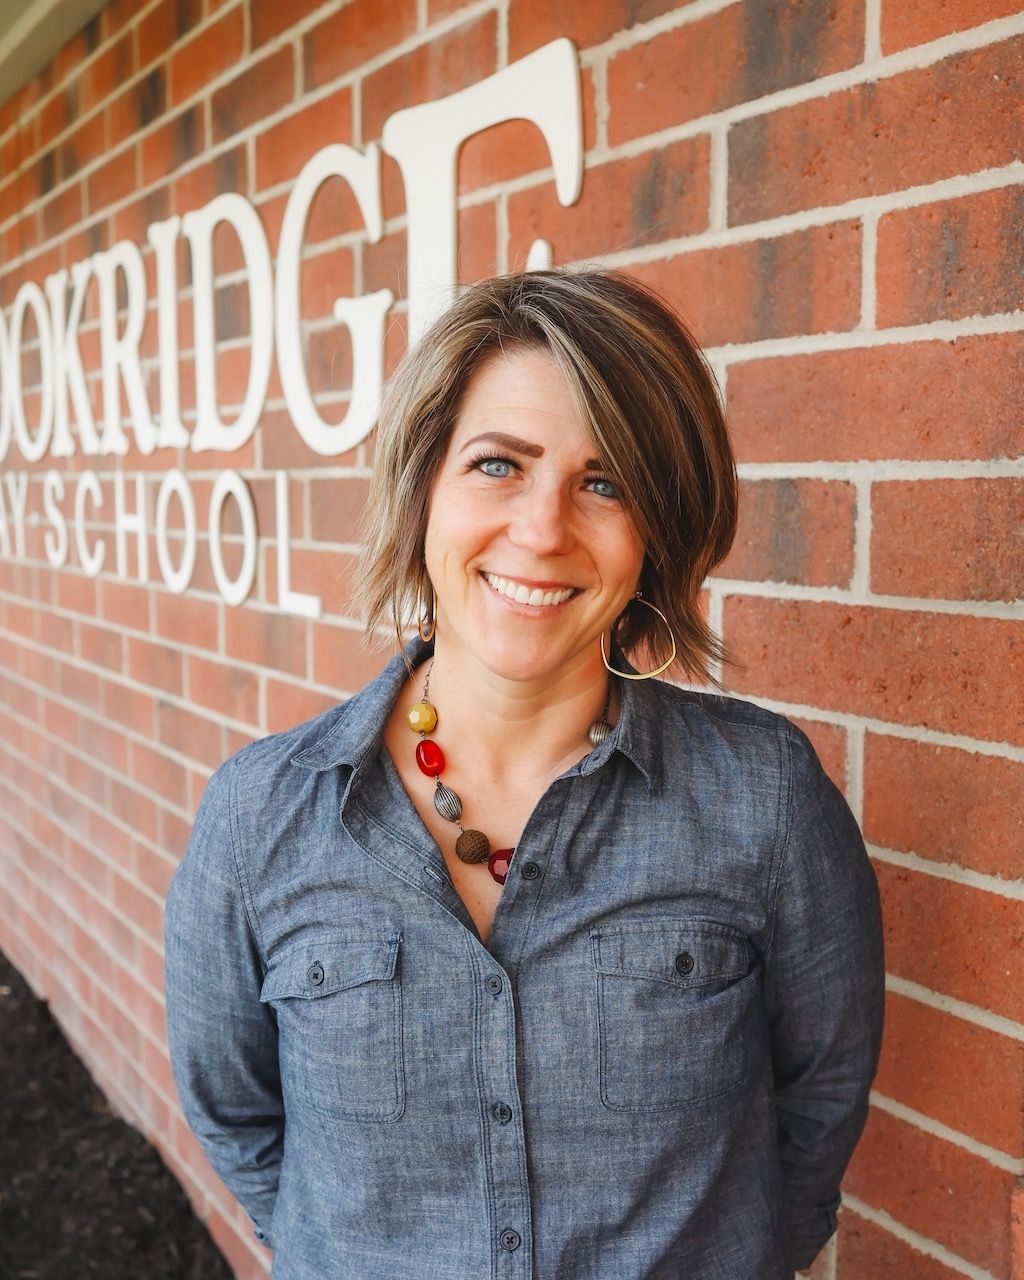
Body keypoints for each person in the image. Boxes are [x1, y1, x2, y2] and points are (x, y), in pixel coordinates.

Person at [164, 268, 885, 1280]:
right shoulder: (262, 814)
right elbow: (236, 1113)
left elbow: (817, 1099)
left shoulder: (761, 799)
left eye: (605, 482)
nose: (543, 530)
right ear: (422, 491)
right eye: (498, 464)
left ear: (655, 534)